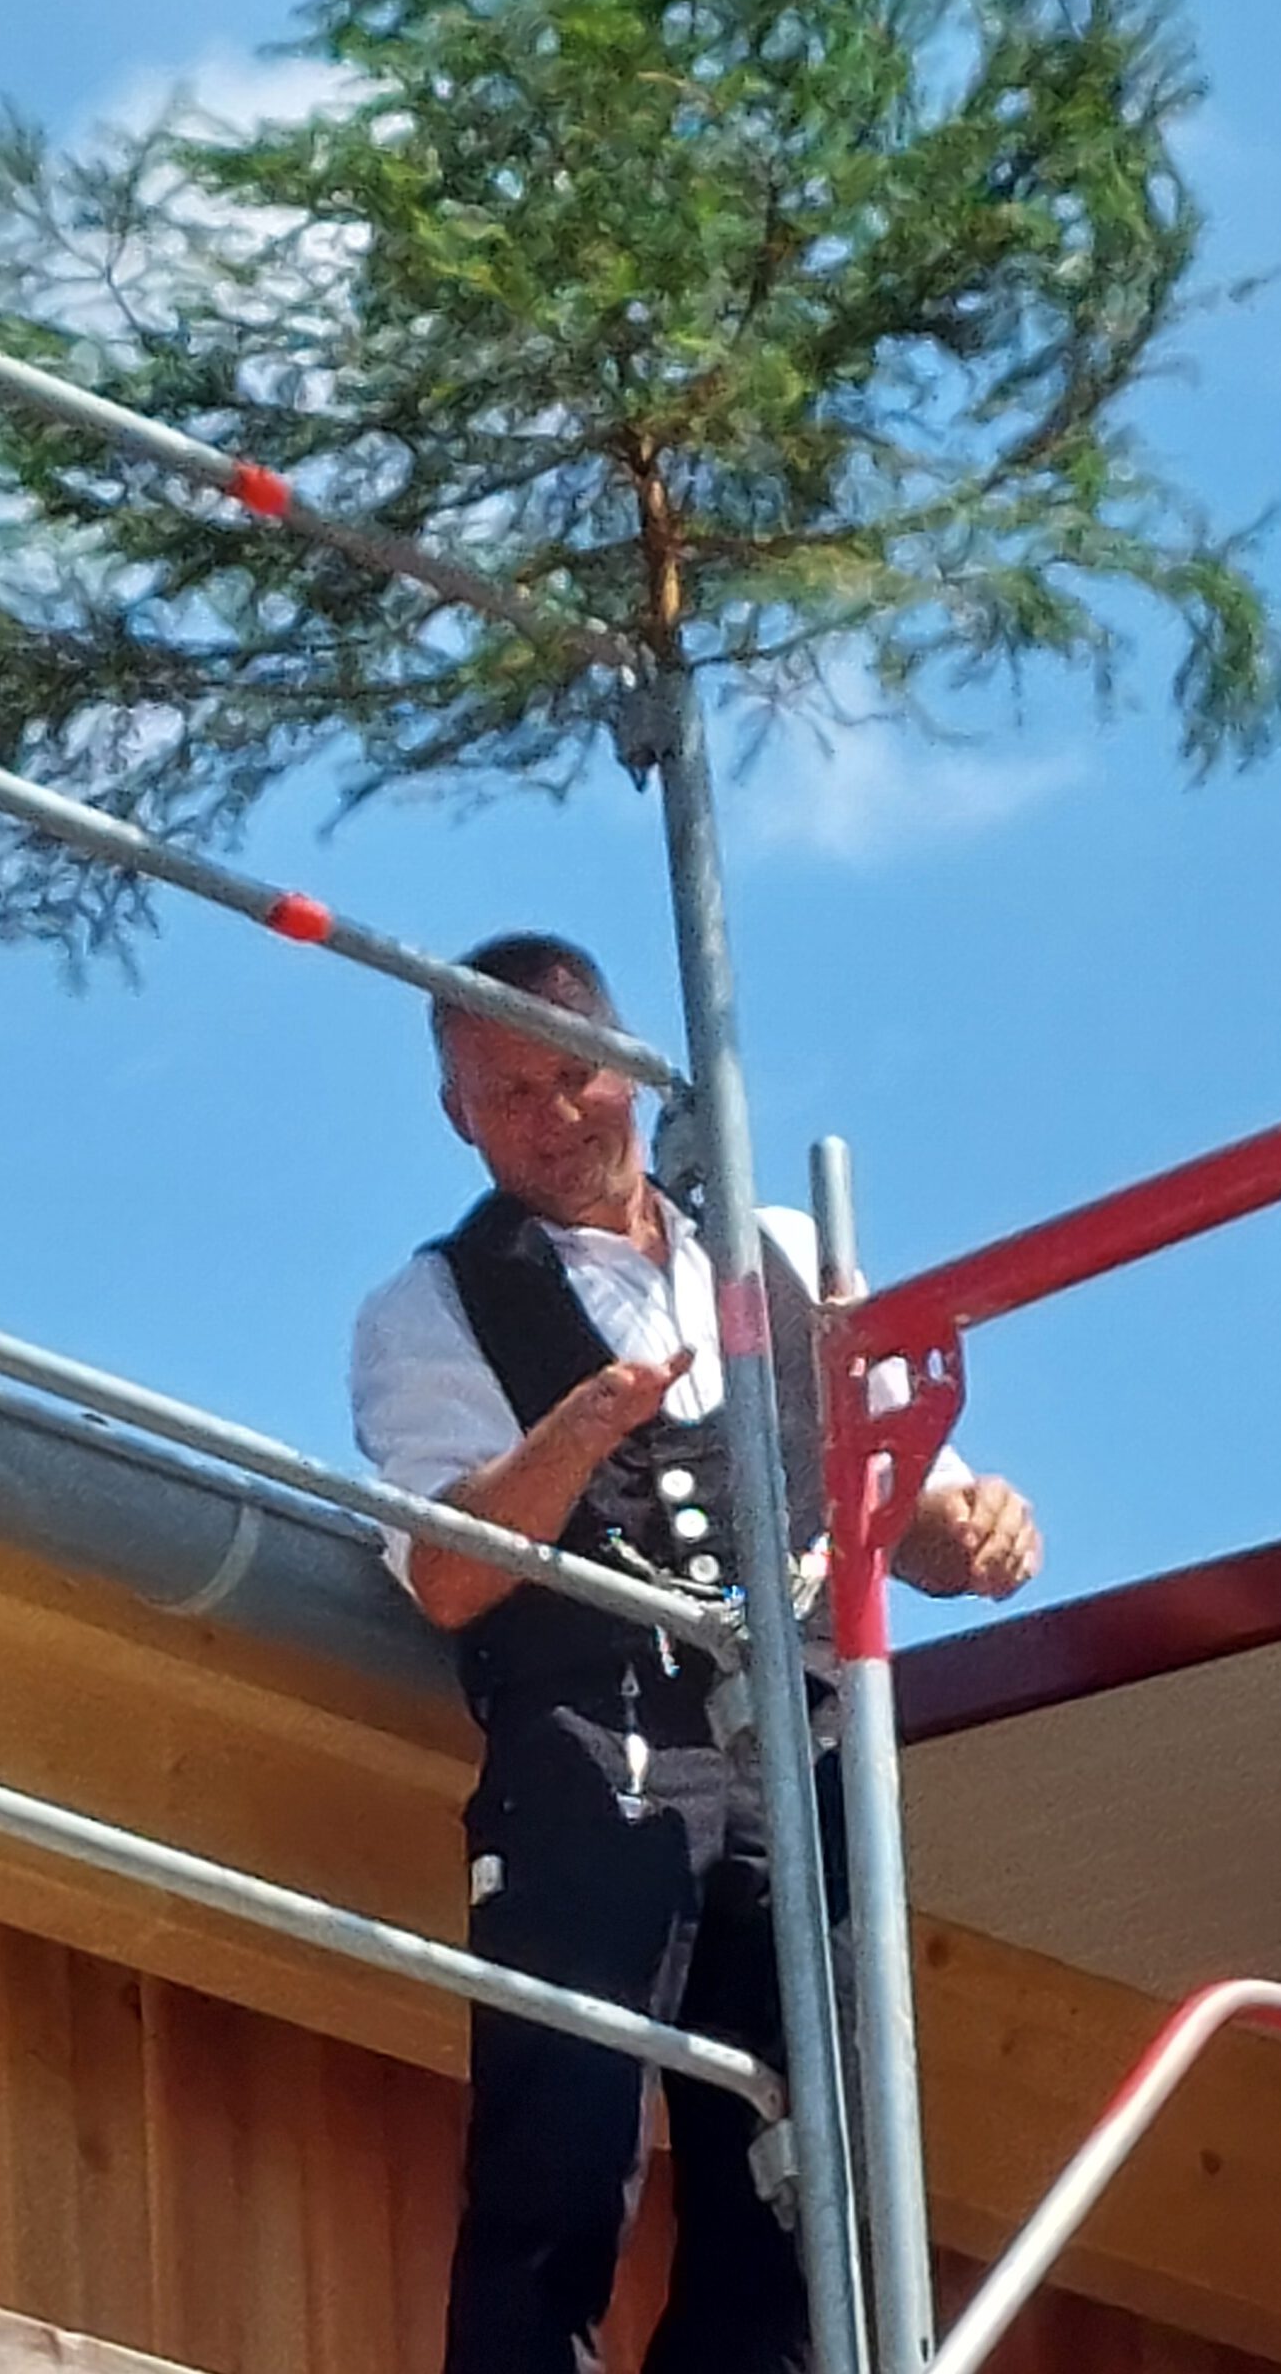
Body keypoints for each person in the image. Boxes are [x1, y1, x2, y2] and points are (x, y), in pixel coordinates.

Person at [350, 932, 1040, 2374]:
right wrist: (579, 1431)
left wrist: (980, 1525)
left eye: (575, 1076)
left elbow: (911, 1520)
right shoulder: (434, 1305)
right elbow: (449, 1574)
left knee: (815, 2171)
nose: (555, 1118)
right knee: (561, 2136)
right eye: (509, 1094)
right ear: (457, 1117)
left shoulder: (779, 1253)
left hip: (801, 1743)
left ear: (635, 1068)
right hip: (592, 1746)